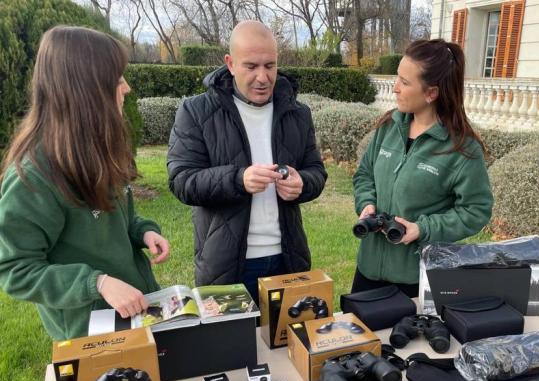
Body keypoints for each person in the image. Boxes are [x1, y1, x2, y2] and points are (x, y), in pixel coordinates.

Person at [0, 26, 170, 341]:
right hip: (90, 334)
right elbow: (15, 270)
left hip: (137, 314)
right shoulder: (34, 176)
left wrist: (142, 230)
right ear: (87, 91)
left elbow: (120, 216)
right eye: (118, 80)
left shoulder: (96, 148)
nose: (127, 88)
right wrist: (98, 283)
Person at [168, 21, 327, 305]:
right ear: (230, 63)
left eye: (270, 66)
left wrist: (302, 184)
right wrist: (237, 180)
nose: (263, 77)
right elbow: (182, 181)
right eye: (251, 67)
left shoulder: (297, 112)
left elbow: (316, 171)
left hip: (288, 259)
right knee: (232, 348)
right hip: (225, 265)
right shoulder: (195, 111)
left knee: (287, 345)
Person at [352, 39, 494, 297]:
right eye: (398, 78)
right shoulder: (388, 128)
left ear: (431, 93)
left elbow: (476, 210)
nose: (395, 88)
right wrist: (366, 203)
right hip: (367, 273)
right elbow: (364, 175)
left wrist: (424, 229)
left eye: (405, 83)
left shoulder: (462, 149)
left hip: (416, 282)